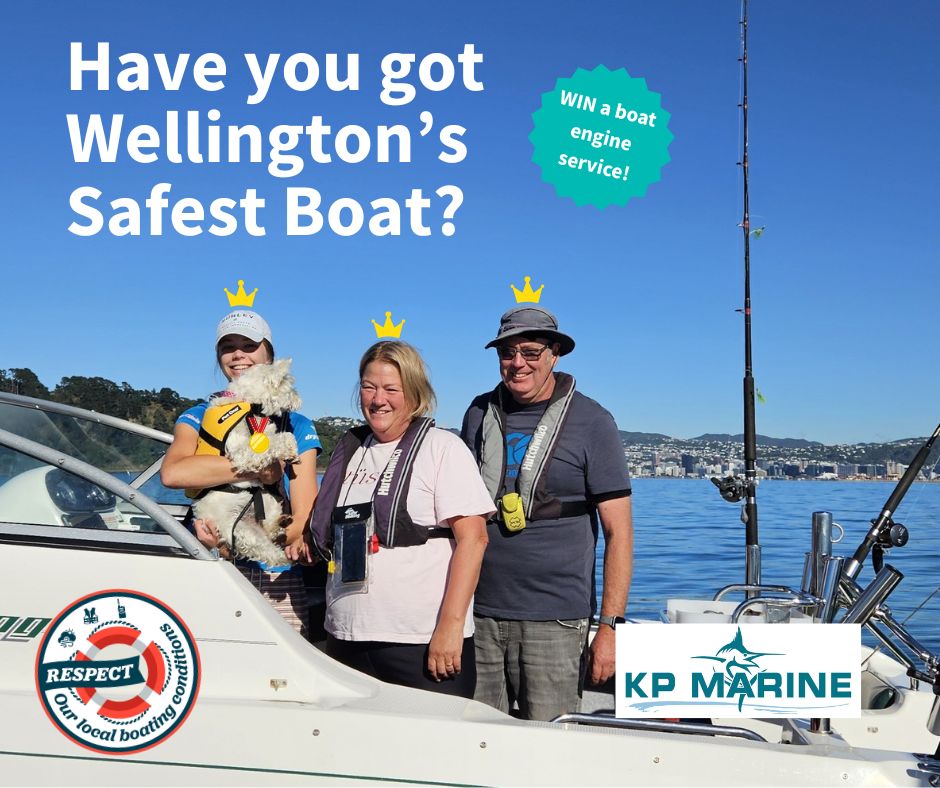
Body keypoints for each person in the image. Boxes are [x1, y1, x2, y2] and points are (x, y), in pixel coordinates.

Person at [460, 305, 633, 721]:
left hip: (555, 619)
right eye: (507, 353)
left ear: (554, 354)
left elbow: (619, 533)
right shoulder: (478, 413)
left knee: (550, 743)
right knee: (475, 739)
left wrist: (610, 627)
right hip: (478, 614)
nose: (517, 363)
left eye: (531, 352)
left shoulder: (593, 422)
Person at [308, 340, 492, 697]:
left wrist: (450, 627)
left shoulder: (443, 448)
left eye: (391, 389)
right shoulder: (351, 451)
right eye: (369, 387)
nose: (379, 399)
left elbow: (474, 539)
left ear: (414, 392)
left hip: (419, 642)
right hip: (347, 637)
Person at [161, 309, 321, 637]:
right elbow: (174, 473)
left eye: (249, 346)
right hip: (214, 570)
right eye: (228, 347)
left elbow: (304, 517)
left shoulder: (297, 425)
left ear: (269, 357)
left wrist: (238, 541)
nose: (238, 355)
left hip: (277, 576)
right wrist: (260, 469)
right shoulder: (200, 415)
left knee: (282, 668)